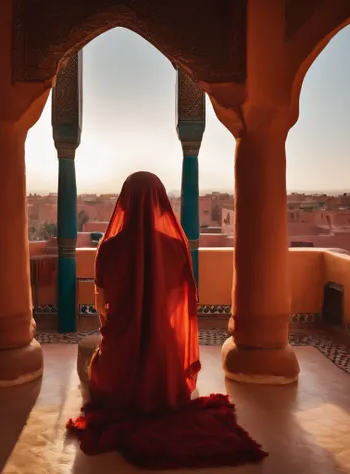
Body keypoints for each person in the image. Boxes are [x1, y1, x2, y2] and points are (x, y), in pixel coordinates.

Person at [67, 171, 267, 469]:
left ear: (125, 204)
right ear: (160, 204)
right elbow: (182, 304)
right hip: (165, 362)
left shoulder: (108, 248)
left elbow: (101, 306)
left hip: (118, 358)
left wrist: (125, 325)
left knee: (93, 361)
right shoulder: (175, 248)